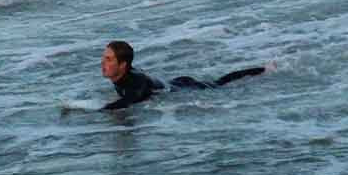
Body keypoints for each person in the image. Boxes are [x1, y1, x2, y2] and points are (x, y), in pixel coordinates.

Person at [101, 40, 266, 110]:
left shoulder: (136, 82)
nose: (102, 63)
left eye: (108, 59)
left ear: (122, 65)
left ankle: (262, 71)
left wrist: (95, 110)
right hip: (173, 83)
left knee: (219, 84)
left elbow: (131, 99)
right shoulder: (122, 73)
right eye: (103, 58)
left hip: (186, 88)